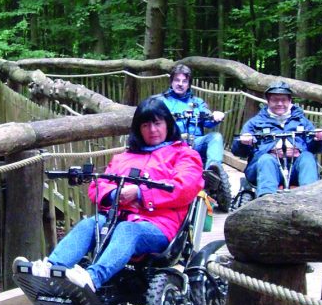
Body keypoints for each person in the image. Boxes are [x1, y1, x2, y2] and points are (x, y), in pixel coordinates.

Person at [15, 96, 203, 293]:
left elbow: (184, 187)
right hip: (116, 219)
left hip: (159, 225)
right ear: (138, 128)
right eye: (146, 125)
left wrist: (139, 193)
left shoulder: (184, 155)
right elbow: (98, 185)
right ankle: (51, 269)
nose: (152, 130)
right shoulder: (124, 157)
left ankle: (92, 278)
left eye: (157, 123)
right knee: (90, 223)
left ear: (168, 124)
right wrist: (115, 195)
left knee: (128, 230)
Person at [235, 82, 322, 196]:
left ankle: (310, 198)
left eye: (283, 100)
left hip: (295, 169)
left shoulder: (302, 121)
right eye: (275, 100)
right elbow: (238, 151)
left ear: (290, 101)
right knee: (266, 159)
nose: (280, 104)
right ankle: (266, 199)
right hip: (266, 169)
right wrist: (244, 143)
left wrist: (318, 139)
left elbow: (317, 148)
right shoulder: (254, 123)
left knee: (307, 157)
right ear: (268, 101)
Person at [160, 63, 232, 210]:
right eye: (177, 80)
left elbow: (209, 121)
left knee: (216, 137)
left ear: (189, 84)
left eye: (184, 81)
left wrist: (216, 116)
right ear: (171, 81)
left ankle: (212, 171)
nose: (180, 84)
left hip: (195, 143)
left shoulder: (197, 102)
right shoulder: (161, 101)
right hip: (172, 145)